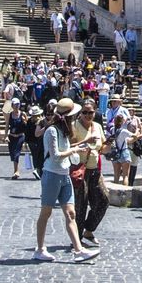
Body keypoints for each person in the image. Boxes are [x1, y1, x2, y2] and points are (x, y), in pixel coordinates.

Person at [35, 99, 99, 262]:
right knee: (46, 212)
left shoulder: (63, 131)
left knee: (71, 213)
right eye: (73, 115)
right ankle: (40, 249)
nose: (75, 118)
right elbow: (55, 155)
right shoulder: (51, 131)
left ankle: (78, 250)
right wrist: (75, 150)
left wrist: (78, 149)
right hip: (51, 174)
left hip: (64, 174)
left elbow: (68, 151)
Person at [71, 100, 109, 247]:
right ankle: (77, 239)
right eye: (85, 112)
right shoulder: (74, 127)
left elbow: (102, 147)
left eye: (90, 112)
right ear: (80, 113)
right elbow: (70, 146)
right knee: (80, 205)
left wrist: (108, 146)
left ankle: (89, 229)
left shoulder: (98, 126)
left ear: (95, 112)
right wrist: (86, 141)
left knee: (104, 199)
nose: (88, 115)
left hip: (95, 169)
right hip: (80, 168)